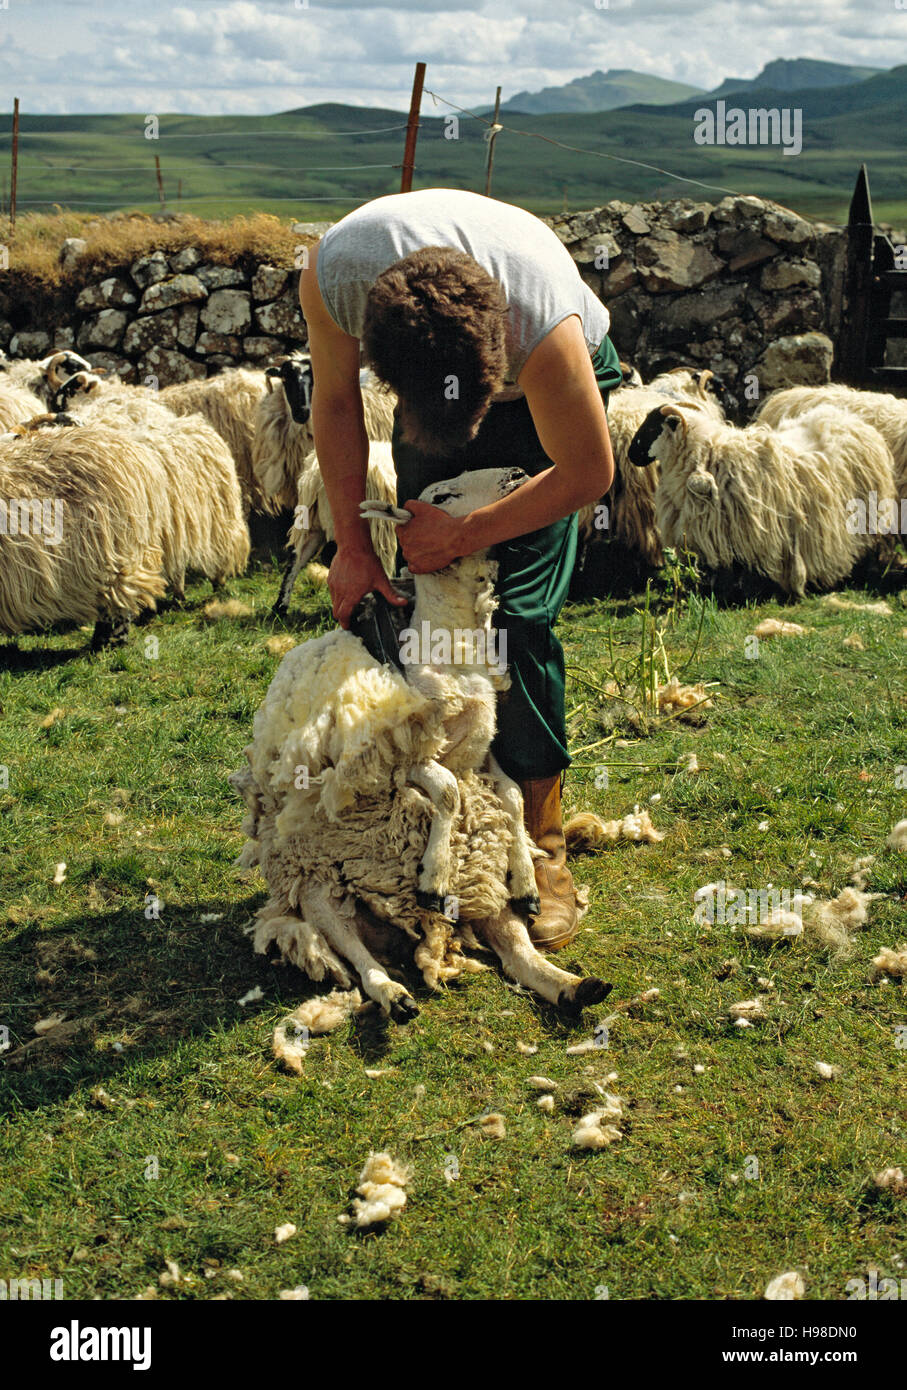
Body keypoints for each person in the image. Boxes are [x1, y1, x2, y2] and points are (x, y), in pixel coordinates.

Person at [299, 187, 621, 951]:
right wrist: (351, 545)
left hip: (534, 403)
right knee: (435, 605)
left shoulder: (540, 324)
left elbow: (585, 471)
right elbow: (338, 405)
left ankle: (542, 844)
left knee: (515, 618)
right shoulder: (333, 277)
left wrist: (470, 529)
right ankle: (460, 811)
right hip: (437, 388)